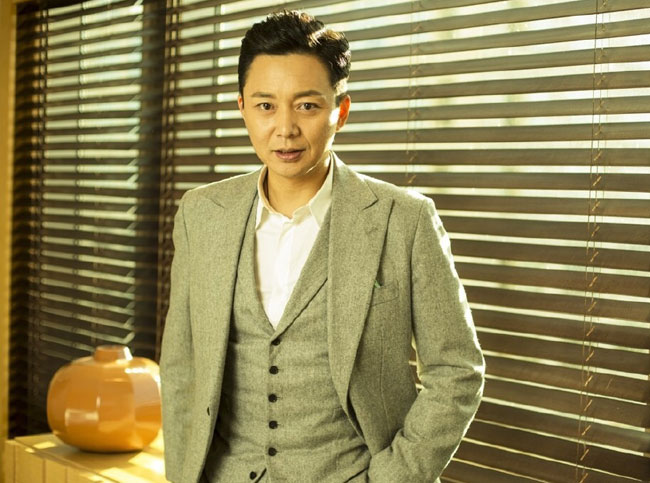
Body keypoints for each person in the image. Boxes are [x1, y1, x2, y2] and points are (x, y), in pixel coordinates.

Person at [160, 10, 484, 483]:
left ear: (341, 111)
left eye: (307, 106)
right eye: (266, 105)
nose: (285, 128)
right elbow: (180, 366)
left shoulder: (405, 220)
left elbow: (457, 371)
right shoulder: (201, 213)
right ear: (242, 108)